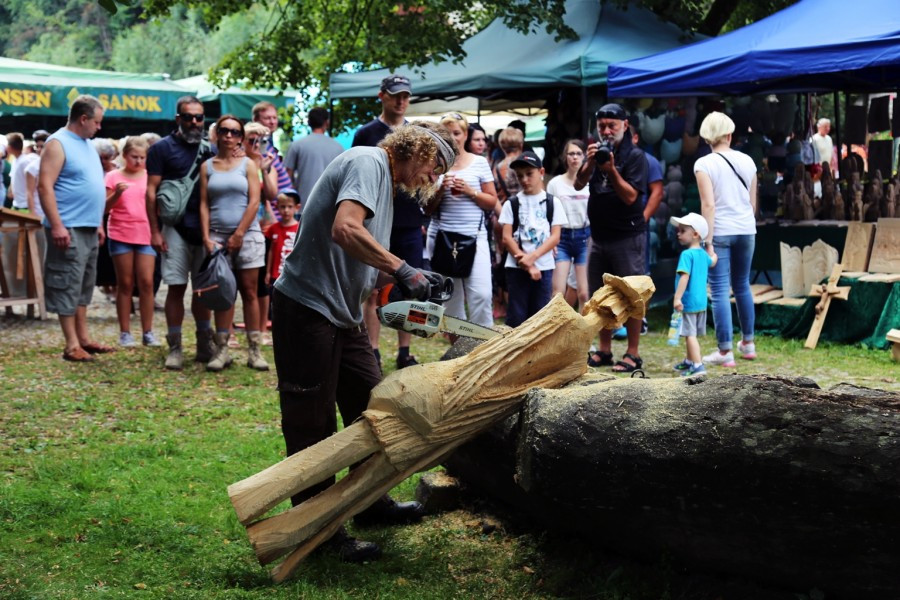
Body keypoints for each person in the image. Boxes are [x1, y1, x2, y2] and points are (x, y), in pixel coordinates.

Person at [271, 121, 456, 562]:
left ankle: (369, 502)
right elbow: (346, 230)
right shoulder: (368, 161)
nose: (434, 177)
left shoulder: (386, 186)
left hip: (344, 314)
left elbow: (363, 262)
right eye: (436, 164)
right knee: (312, 424)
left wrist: (408, 284)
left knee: (374, 406)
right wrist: (402, 268)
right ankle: (318, 532)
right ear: (418, 147)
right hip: (308, 308)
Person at [352, 74, 424, 369]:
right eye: (395, 95)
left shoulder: (416, 133)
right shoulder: (366, 133)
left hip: (409, 222)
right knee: (371, 286)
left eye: (405, 96)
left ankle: (405, 351)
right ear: (382, 96)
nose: (401, 101)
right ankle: (373, 350)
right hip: (376, 219)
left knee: (410, 287)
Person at [38, 94, 112, 362]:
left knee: (83, 284)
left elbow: (93, 187)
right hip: (68, 226)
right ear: (83, 119)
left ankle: (83, 338)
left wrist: (98, 223)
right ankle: (71, 345)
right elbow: (45, 186)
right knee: (66, 282)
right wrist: (57, 225)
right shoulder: (58, 144)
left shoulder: (87, 145)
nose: (99, 127)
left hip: (88, 226)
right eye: (97, 122)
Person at [574, 103, 648, 373]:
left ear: (624, 126)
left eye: (611, 126)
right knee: (600, 295)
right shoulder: (597, 152)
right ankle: (604, 350)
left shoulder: (635, 156)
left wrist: (612, 170)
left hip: (627, 237)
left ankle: (633, 353)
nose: (606, 131)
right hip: (598, 237)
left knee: (632, 295)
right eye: (601, 126)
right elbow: (578, 184)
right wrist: (590, 162)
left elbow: (630, 197)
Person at [146, 96, 216, 370]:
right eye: (188, 117)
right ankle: (174, 346)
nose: (195, 122)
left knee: (203, 290)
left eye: (199, 117)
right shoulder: (161, 149)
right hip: (174, 227)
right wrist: (154, 231)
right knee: (176, 287)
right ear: (178, 118)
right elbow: (150, 192)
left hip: (204, 229)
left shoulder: (210, 150)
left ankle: (204, 343)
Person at [199, 115, 269, 372]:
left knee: (250, 292)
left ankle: (254, 350)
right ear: (217, 134)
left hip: (247, 235)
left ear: (241, 137)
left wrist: (239, 233)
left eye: (235, 132)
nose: (229, 136)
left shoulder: (248, 164)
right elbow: (204, 203)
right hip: (217, 238)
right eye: (224, 131)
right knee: (223, 292)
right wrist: (206, 236)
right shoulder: (207, 166)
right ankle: (222, 349)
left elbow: (254, 201)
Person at [694, 111, 759, 366]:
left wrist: (707, 241)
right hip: (746, 229)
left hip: (720, 230)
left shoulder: (704, 164)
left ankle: (725, 351)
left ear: (707, 137)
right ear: (729, 135)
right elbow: (752, 204)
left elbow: (708, 205)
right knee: (742, 284)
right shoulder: (748, 161)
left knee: (719, 289)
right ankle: (748, 343)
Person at [427, 112, 500, 328]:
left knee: (482, 295)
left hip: (474, 237)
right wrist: (440, 190)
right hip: (441, 237)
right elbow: (427, 208)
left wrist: (470, 191)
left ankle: (483, 342)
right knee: (451, 298)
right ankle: (459, 345)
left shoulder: (479, 163)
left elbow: (492, 202)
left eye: (456, 133)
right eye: (446, 133)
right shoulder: (435, 164)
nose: (452, 138)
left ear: (465, 134)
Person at [499, 151, 566, 327]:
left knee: (540, 316)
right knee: (517, 316)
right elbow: (507, 237)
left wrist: (533, 258)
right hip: (516, 266)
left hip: (543, 266)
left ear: (541, 172)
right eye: (520, 175)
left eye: (529, 174)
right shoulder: (512, 203)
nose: (525, 180)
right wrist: (527, 263)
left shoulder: (552, 202)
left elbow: (555, 237)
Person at [105, 136, 160, 348]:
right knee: (125, 284)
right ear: (124, 155)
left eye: (142, 157)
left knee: (146, 282)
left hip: (145, 233)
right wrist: (117, 194)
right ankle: (125, 332)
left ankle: (148, 331)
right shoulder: (113, 176)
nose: (138, 161)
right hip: (120, 232)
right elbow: (105, 207)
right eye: (134, 157)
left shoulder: (151, 176)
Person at [242, 121, 278, 343]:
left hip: (262, 227)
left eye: (261, 140)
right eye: (251, 140)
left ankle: (262, 328)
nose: (256, 144)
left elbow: (272, 194)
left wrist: (264, 169)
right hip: (241, 224)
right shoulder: (237, 162)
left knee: (263, 282)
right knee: (241, 282)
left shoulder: (268, 163)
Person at [670, 213, 717, 377]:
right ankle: (690, 361)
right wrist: (711, 250)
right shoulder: (703, 254)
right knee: (690, 332)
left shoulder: (686, 255)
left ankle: (698, 366)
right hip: (701, 302)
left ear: (695, 234)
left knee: (690, 335)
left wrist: (677, 298)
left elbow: (684, 277)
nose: (678, 234)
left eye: (682, 231)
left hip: (688, 302)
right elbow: (713, 261)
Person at [547, 139, 590, 309]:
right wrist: (550, 241)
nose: (575, 157)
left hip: (584, 237)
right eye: (571, 154)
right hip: (562, 237)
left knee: (584, 293)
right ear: (565, 157)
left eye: (579, 154)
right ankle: (554, 325)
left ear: (584, 157)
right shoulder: (555, 184)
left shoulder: (590, 183)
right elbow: (548, 214)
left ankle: (583, 326)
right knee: (557, 293)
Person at [284, 106, 344, 205]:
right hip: (329, 204)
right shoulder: (338, 148)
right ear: (327, 122)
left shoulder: (296, 145)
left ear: (308, 122)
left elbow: (288, 175)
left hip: (301, 203)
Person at [264, 189, 301, 290]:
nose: (286, 210)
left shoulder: (300, 228)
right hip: (275, 276)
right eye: (283, 206)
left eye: (290, 206)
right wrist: (268, 272)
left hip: (293, 276)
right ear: (277, 207)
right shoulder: (272, 229)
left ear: (297, 207)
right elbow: (271, 251)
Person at [492, 127, 524, 203]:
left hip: (504, 207)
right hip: (522, 206)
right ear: (521, 145)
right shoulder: (523, 164)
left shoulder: (497, 167)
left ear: (502, 146)